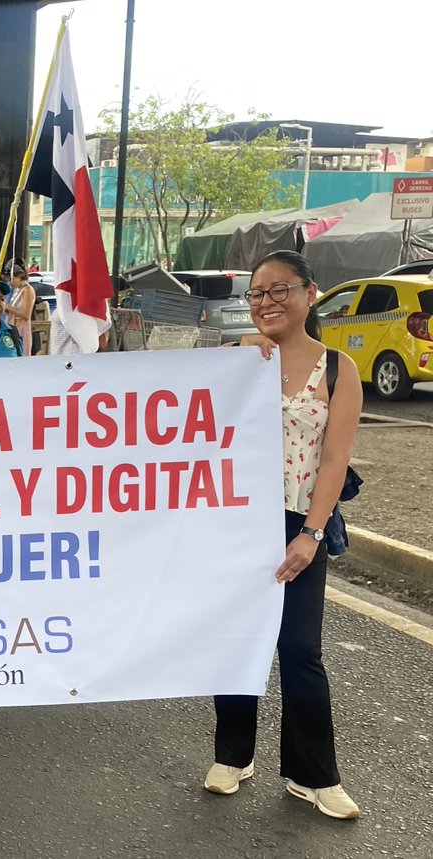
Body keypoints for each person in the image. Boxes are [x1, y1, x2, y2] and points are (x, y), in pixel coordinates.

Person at [205, 250, 362, 820]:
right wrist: (233, 356)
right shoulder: (235, 360)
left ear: (309, 293)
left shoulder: (339, 370)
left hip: (301, 522)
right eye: (256, 294)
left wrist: (311, 534)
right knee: (237, 639)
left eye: (279, 291)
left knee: (299, 649)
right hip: (236, 520)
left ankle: (312, 774)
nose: (266, 303)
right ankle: (232, 756)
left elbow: (334, 463)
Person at [2, 259, 35, 357]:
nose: (9, 283)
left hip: (21, 329)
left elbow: (26, 314)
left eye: (11, 280)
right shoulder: (16, 290)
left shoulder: (27, 290)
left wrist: (8, 307)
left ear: (20, 276)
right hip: (13, 327)